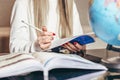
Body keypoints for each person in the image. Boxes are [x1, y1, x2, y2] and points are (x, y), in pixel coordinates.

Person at [10, 0, 86, 54]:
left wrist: (78, 47)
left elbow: (78, 41)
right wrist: (35, 46)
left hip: (68, 69)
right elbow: (14, 49)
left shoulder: (70, 4)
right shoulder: (23, 2)